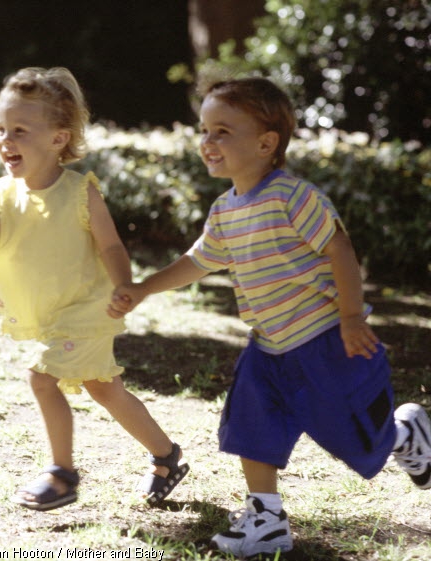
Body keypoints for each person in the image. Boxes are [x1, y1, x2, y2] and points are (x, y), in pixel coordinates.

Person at [108, 74, 431, 557]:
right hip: (268, 345)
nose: (207, 141)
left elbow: (339, 248)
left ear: (265, 143)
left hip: (325, 340)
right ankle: (265, 518)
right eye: (204, 130)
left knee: (356, 438)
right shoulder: (225, 210)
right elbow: (198, 261)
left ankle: (405, 436)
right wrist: (142, 289)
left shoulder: (292, 196)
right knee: (251, 425)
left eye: (222, 131)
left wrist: (350, 317)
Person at [0, 67, 189, 512]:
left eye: (20, 130)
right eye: (0, 129)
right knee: (105, 390)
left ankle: (61, 474)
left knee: (41, 378)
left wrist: (125, 285)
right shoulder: (2, 193)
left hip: (87, 307)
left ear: (58, 139)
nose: (5, 140)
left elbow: (111, 245)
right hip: (50, 311)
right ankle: (166, 456)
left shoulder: (82, 193)